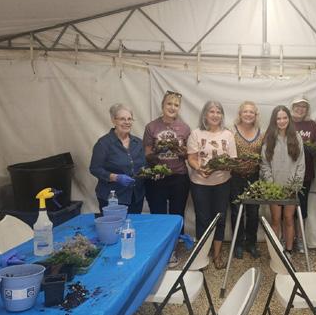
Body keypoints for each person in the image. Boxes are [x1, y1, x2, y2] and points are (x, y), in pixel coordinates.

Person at [187, 101, 236, 270]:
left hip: (222, 183)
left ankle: (217, 254)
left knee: (220, 218)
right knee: (203, 219)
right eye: (211, 111)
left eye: (218, 112)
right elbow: (191, 158)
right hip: (200, 183)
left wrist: (226, 166)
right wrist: (199, 169)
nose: (215, 115)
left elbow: (232, 160)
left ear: (222, 115)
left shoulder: (228, 135)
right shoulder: (196, 134)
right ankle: (202, 254)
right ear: (205, 114)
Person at [260, 105, 305, 255]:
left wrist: (296, 184)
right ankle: (275, 253)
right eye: (278, 118)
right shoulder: (268, 138)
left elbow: (301, 164)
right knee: (275, 219)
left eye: (285, 117)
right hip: (274, 188)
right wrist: (270, 184)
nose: (282, 121)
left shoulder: (297, 137)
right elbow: (264, 164)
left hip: (291, 187)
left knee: (289, 219)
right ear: (274, 120)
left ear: (289, 119)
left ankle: (288, 251)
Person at [143, 90, 190, 223]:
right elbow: (147, 154)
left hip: (179, 177)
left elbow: (189, 155)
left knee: (178, 215)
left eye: (176, 105)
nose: (172, 107)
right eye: (169, 104)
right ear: (162, 105)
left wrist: (179, 151)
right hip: (157, 177)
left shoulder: (185, 128)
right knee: (158, 216)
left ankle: (177, 236)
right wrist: (157, 151)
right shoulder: (151, 127)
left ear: (179, 108)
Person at [90, 103, 146, 213]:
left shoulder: (138, 142)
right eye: (122, 119)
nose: (127, 122)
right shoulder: (103, 143)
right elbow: (95, 168)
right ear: (113, 120)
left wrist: (152, 172)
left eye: (129, 119)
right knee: (115, 224)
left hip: (136, 197)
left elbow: (144, 165)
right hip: (113, 198)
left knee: (134, 223)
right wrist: (115, 177)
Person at [229, 101, 263, 259]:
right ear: (240, 114)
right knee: (237, 212)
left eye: (251, 112)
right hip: (235, 177)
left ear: (255, 115)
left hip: (254, 178)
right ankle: (238, 244)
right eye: (245, 111)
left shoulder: (261, 133)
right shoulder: (231, 132)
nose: (248, 114)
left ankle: (251, 243)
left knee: (253, 212)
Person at [290, 96, 316, 253]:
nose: (300, 109)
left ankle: (300, 239)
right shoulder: (286, 121)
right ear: (292, 107)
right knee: (286, 208)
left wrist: (312, 149)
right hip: (287, 174)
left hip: (306, 174)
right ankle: (287, 238)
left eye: (304, 106)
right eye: (298, 106)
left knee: (302, 208)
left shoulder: (312, 125)